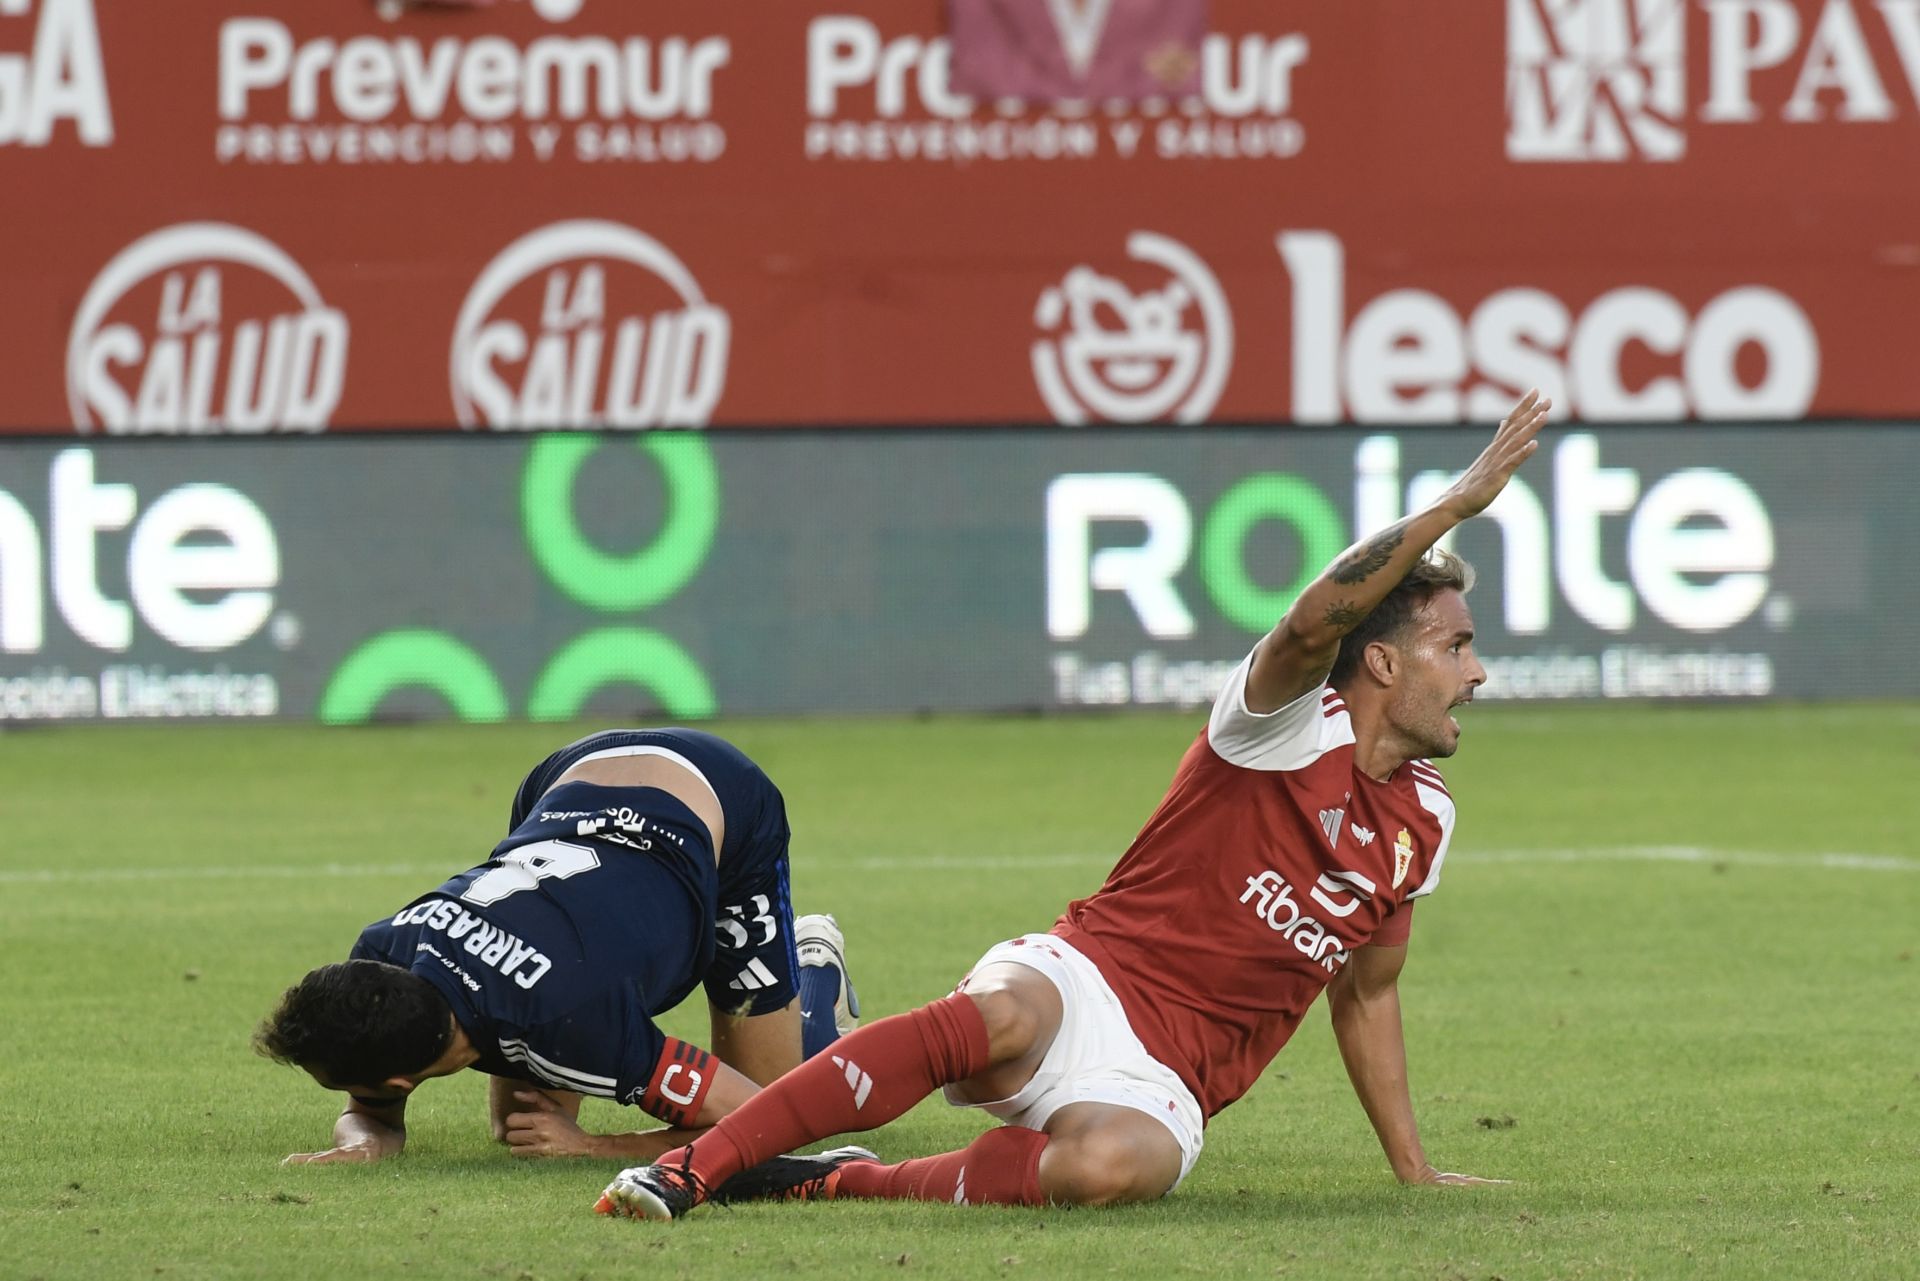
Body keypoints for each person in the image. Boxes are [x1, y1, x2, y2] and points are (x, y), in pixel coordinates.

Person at [594, 391, 1551, 1220]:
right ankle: (695, 1166)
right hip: (1089, 979)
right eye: (1457, 646)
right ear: (1384, 660)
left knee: (1108, 1170)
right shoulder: (1281, 725)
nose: (1479, 673)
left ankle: (839, 1181)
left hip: (1164, 1085)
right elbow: (1310, 622)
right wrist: (1453, 507)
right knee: (996, 1025)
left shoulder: (1425, 820)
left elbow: (1369, 992)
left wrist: (1414, 1167)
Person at [255, 727, 860, 1165]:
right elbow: (372, 1114)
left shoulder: (579, 1020)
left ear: (402, 1082)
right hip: (567, 781)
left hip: (717, 800)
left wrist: (594, 1148)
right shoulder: (384, 961)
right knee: (519, 1128)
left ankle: (810, 974)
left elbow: (760, 1120)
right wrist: (361, 1144)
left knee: (782, 1093)